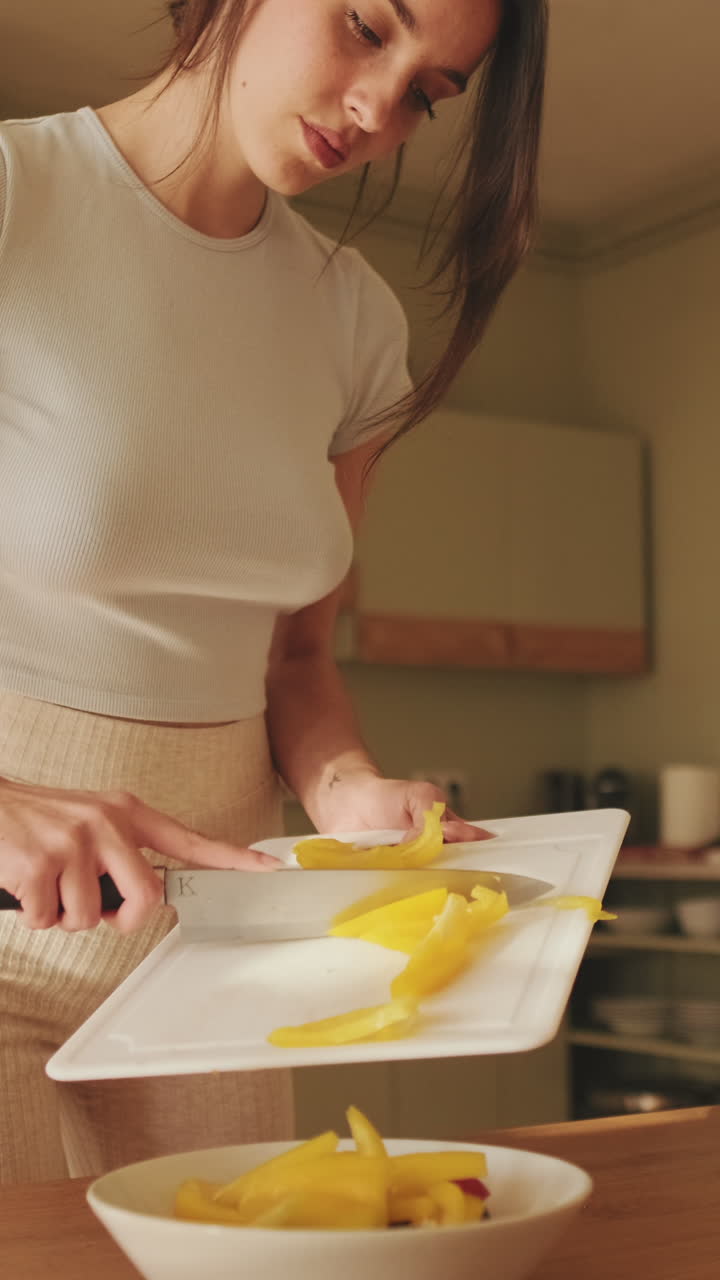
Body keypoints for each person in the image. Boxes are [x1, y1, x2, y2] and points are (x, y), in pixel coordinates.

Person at [0, 0, 548, 1184]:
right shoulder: (14, 194)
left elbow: (294, 661)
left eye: (427, 93)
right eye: (365, 27)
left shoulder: (356, 322)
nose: (379, 110)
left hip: (221, 952)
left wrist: (349, 792)